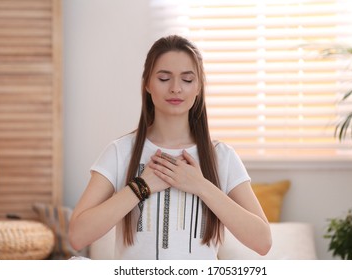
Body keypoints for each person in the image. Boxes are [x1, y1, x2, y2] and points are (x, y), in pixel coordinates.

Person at [68, 35, 272, 260]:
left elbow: (262, 242)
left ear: (198, 87)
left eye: (187, 79)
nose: (176, 88)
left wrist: (201, 186)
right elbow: (77, 235)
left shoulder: (222, 156)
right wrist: (140, 187)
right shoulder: (120, 151)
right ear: (147, 84)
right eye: (164, 78)